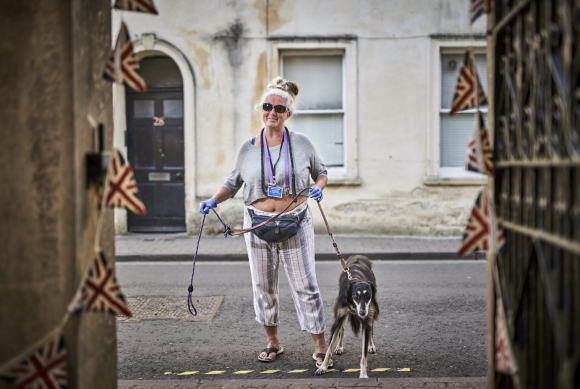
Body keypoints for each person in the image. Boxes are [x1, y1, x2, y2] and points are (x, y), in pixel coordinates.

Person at [199, 76, 332, 368]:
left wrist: (319, 185)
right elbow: (232, 183)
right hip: (257, 225)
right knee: (263, 286)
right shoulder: (248, 147)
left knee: (306, 286)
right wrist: (213, 200)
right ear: (262, 109)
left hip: (295, 222)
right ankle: (273, 342)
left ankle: (321, 345)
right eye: (267, 107)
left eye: (279, 109)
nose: (272, 112)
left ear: (288, 114)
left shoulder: (301, 143)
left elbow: (321, 172)